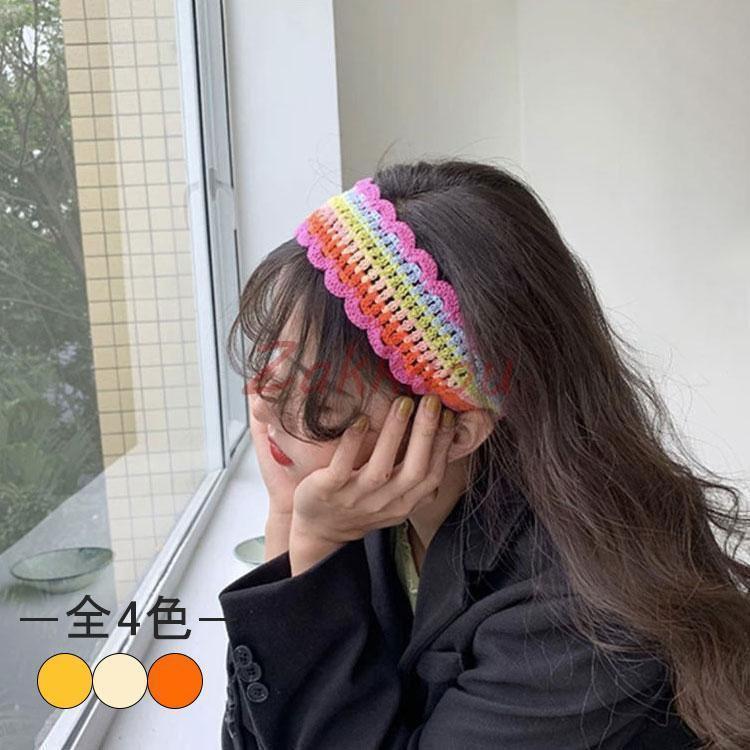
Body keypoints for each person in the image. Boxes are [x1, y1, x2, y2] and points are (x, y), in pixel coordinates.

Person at [218, 159, 750, 749]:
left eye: (321, 397)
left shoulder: (578, 616)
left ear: (458, 431)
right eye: (278, 359)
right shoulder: (373, 508)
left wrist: (311, 544)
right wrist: (287, 518)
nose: (264, 400)